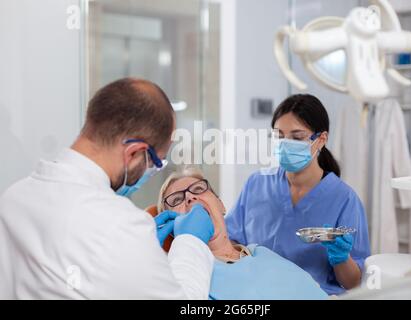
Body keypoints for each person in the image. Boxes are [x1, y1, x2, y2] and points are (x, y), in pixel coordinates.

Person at [0, 78, 214, 299]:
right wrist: (191, 242)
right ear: (134, 154)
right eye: (155, 164)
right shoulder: (119, 224)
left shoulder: (13, 198)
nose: (150, 173)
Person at [225, 94, 371, 295]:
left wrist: (342, 258)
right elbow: (229, 241)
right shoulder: (256, 184)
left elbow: (353, 283)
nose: (286, 144)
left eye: (297, 137)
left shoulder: (344, 200)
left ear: (321, 140)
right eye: (279, 136)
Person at [157, 167, 328, 300]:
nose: (190, 198)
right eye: (176, 200)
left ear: (221, 204)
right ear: (173, 229)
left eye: (198, 188)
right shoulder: (184, 277)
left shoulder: (260, 253)